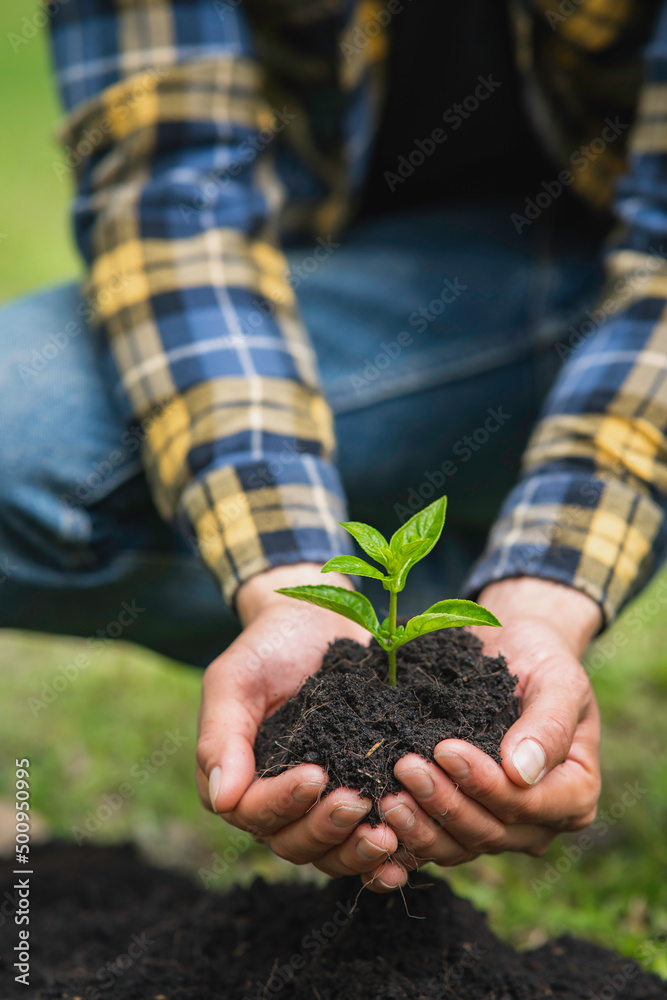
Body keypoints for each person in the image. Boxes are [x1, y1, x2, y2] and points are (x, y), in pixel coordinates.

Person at [2, 0, 666, 892]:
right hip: (362, 279)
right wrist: (286, 577)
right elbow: (174, 203)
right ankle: (436, 588)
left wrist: (552, 589)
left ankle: (483, 576)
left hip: (623, 286)